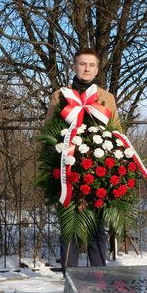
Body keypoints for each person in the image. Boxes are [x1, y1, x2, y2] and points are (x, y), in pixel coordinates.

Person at [45, 48, 120, 271]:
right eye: (82, 64)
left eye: (91, 65)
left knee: (97, 227)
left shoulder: (106, 98)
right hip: (67, 170)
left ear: (97, 69)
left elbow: (116, 133)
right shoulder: (61, 95)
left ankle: (99, 278)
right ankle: (70, 279)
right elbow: (48, 131)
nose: (86, 69)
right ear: (74, 66)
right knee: (70, 227)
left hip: (98, 171)